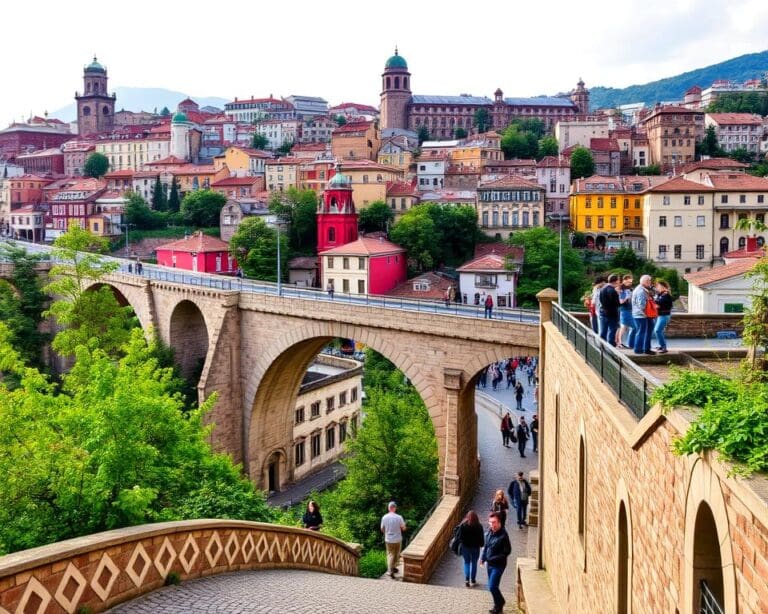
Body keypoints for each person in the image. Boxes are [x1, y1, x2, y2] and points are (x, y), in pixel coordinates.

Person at [480, 511, 511, 614]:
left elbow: (507, 552)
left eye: (494, 522)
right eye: (490, 522)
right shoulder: (489, 533)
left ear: (499, 523)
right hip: (490, 565)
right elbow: (486, 547)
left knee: (492, 586)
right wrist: (483, 558)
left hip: (499, 565)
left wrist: (492, 558)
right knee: (494, 587)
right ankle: (497, 607)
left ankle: (501, 602)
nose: (492, 525)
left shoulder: (503, 535)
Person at [456, 510, 485, 587]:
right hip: (475, 548)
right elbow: (481, 538)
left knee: (466, 563)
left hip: (465, 548)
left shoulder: (463, 525)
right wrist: (482, 545)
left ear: (467, 517)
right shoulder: (479, 526)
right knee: (474, 563)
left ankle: (467, 579)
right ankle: (473, 579)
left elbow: (460, 538)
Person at [380, 501, 406, 578]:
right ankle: (392, 568)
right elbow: (403, 528)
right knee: (397, 555)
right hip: (398, 539)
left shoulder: (384, 517)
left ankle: (390, 570)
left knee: (390, 555)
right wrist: (403, 527)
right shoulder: (399, 517)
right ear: (394, 508)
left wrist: (386, 532)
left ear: (389, 508)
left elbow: (382, 529)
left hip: (388, 539)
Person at [631, 275, 655, 356]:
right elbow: (641, 305)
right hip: (641, 315)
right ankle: (638, 349)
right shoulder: (641, 291)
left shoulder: (640, 289)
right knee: (641, 332)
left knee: (643, 332)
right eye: (649, 281)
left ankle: (645, 349)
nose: (650, 283)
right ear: (646, 281)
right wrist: (647, 313)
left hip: (640, 315)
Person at [599, 273, 621, 347]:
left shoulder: (602, 289)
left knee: (603, 331)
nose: (619, 282)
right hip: (611, 313)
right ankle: (611, 347)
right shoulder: (613, 291)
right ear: (615, 281)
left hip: (603, 311)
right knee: (612, 330)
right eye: (618, 280)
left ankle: (601, 346)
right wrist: (618, 294)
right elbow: (617, 303)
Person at [653, 280, 673, 354]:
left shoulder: (666, 295)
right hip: (661, 315)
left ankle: (664, 347)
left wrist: (657, 304)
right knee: (658, 331)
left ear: (663, 287)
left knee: (657, 330)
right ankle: (661, 346)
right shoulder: (661, 294)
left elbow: (658, 304)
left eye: (658, 286)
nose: (657, 288)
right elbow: (657, 304)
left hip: (664, 316)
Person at [617, 275, 635, 348]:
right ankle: (629, 343)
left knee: (624, 327)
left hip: (629, 310)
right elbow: (621, 301)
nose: (630, 283)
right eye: (628, 281)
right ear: (624, 280)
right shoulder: (621, 290)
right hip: (625, 310)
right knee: (633, 327)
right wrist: (627, 298)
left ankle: (621, 343)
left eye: (631, 282)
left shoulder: (629, 289)